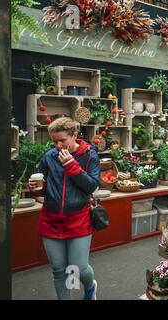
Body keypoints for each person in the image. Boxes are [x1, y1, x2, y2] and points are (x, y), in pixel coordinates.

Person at [28, 117, 100, 300]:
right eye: (54, 141)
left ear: (74, 135)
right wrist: (36, 187)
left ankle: (90, 287)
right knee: (59, 269)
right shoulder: (49, 157)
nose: (58, 145)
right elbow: (44, 187)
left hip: (78, 218)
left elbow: (91, 185)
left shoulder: (89, 155)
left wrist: (71, 166)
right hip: (51, 219)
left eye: (62, 140)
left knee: (77, 267)